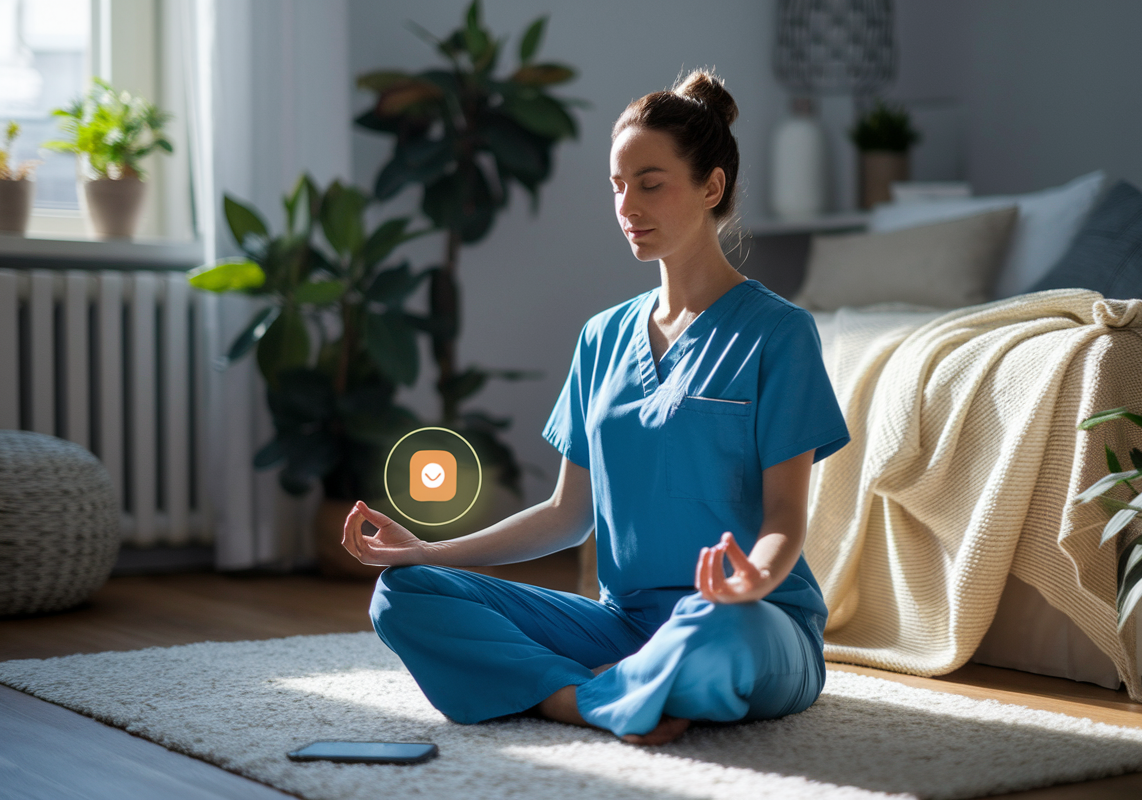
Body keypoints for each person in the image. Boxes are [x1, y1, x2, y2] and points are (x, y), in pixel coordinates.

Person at [341, 70, 850, 746]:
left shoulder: (778, 333)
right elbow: (566, 515)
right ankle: (578, 698)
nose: (627, 204)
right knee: (405, 593)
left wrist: (756, 575)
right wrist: (430, 550)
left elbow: (786, 514)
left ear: (711, 187)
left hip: (751, 619)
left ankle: (594, 685)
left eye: (650, 182)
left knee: (717, 630)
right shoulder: (601, 337)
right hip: (625, 624)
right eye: (616, 184)